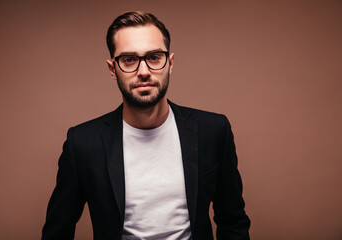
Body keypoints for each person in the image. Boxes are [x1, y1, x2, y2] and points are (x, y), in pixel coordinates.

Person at [42, 11, 250, 240]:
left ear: (169, 63)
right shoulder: (82, 144)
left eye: (153, 57)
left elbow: (233, 222)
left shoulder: (213, 131)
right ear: (113, 69)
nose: (143, 71)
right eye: (129, 59)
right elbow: (57, 231)